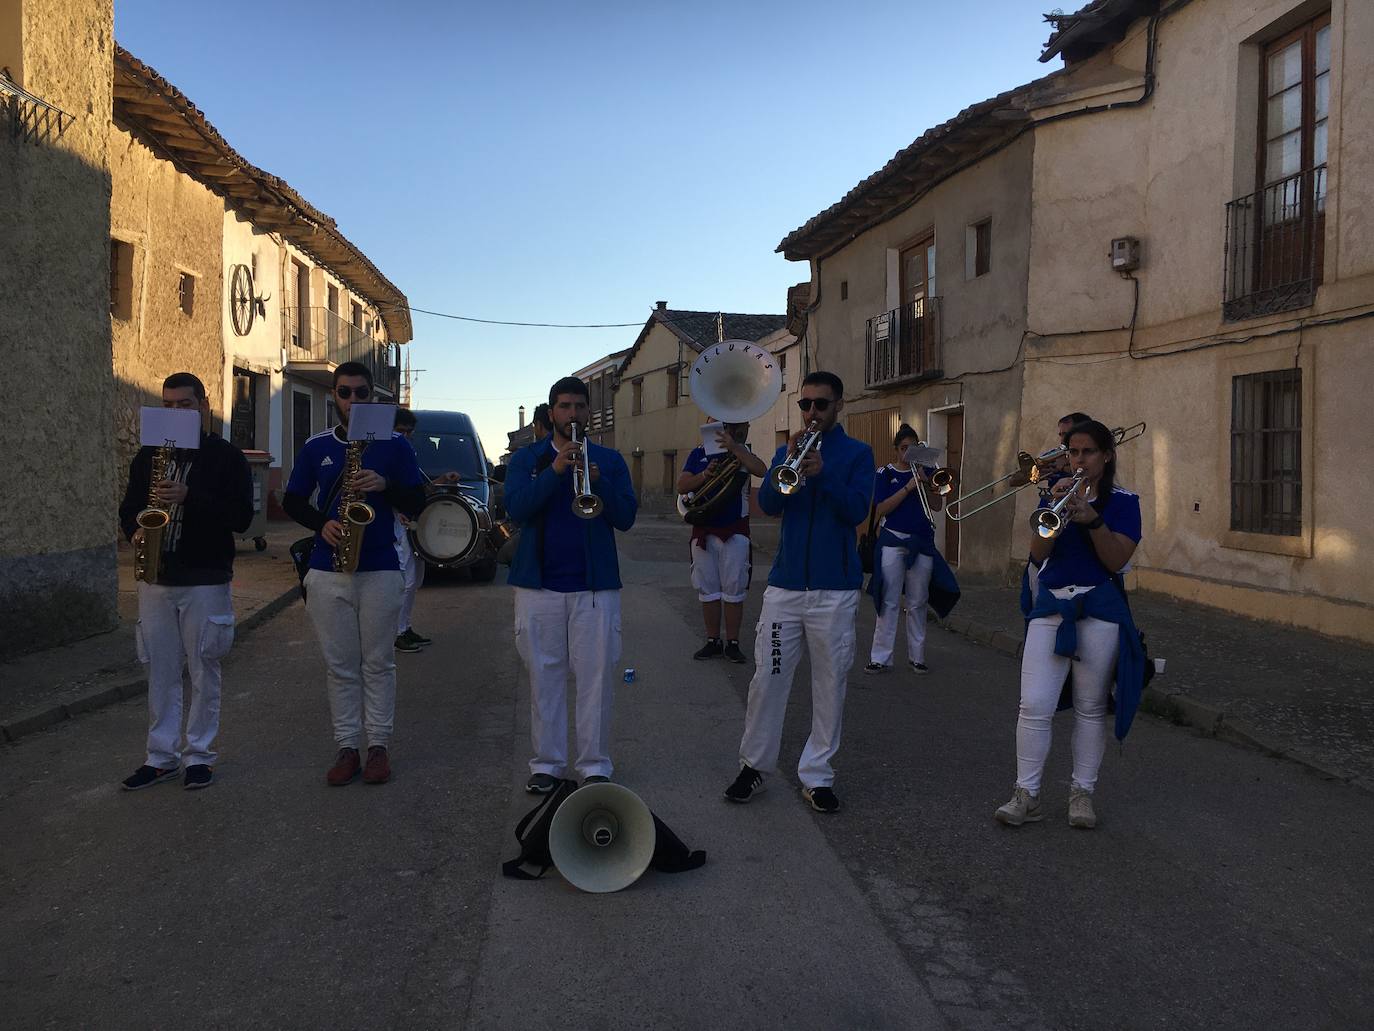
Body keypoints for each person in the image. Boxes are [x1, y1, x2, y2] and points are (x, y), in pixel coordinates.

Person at [723, 371, 874, 814]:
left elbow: (854, 512)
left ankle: (818, 776)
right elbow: (769, 506)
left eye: (820, 405)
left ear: (838, 405)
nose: (810, 413)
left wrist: (823, 476)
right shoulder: (786, 449)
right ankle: (754, 766)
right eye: (805, 404)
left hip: (835, 591)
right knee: (767, 679)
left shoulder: (858, 455)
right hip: (785, 588)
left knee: (830, 686)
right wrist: (781, 470)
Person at [995, 419, 1145, 831]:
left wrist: (1093, 520)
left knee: (1091, 707)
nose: (1077, 460)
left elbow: (1115, 560)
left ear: (1106, 456)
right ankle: (1026, 794)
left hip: (1098, 609)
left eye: (1087, 452)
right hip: (1052, 607)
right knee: (1033, 705)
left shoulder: (1125, 502)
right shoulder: (1056, 492)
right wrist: (1054, 505)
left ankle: (1082, 793)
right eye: (1072, 452)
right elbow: (1039, 552)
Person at [283, 362, 426, 787]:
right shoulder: (316, 447)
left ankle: (378, 746)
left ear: (373, 396)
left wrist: (385, 485)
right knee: (340, 665)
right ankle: (347, 747)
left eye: (361, 393)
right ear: (335, 397)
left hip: (380, 567)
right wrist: (319, 525)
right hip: (328, 570)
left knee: (379, 662)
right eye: (345, 393)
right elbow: (292, 500)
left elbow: (417, 501)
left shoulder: (397, 446)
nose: (353, 400)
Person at [118, 372, 254, 791]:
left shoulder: (226, 456)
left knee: (203, 669)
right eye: (169, 405)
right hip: (156, 578)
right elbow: (129, 510)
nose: (177, 411)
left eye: (185, 404)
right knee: (160, 671)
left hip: (205, 578)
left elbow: (242, 520)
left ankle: (199, 756)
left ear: (203, 405)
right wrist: (136, 531)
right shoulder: (147, 456)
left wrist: (190, 498)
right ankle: (160, 757)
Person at [506, 376, 637, 793]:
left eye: (580, 406)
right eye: (565, 406)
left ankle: (594, 765)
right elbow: (517, 509)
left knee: (596, 679)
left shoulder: (610, 461)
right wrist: (555, 471)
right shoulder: (526, 459)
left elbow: (626, 518)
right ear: (551, 413)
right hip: (538, 586)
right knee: (544, 678)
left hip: (595, 589)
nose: (574, 414)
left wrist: (597, 482)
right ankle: (547, 764)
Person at [863, 424, 959, 675]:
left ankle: (917, 657)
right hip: (893, 540)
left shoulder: (927, 471)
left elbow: (937, 506)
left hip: (922, 541)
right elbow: (882, 508)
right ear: (896, 450)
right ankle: (880, 657)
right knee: (889, 600)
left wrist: (929, 485)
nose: (908, 453)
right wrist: (909, 487)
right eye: (903, 448)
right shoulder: (885, 472)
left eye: (912, 448)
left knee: (918, 601)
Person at [677, 421, 768, 663]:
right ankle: (712, 640)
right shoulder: (698, 453)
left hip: (734, 530)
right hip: (704, 530)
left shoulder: (742, 452)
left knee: (734, 590)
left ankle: (733, 643)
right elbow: (682, 485)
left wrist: (736, 449)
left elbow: (761, 470)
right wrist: (704, 475)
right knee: (708, 590)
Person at [391, 408, 430, 654]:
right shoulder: (388, 454)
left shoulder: (407, 454)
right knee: (404, 580)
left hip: (406, 522)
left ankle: (405, 626)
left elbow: (415, 490)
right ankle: (396, 633)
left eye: (409, 432)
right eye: (400, 431)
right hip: (394, 522)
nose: (405, 436)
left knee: (414, 578)